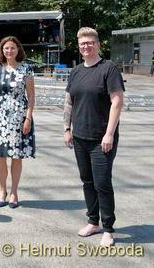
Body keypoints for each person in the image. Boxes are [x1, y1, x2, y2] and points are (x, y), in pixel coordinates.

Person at [64, 27, 124, 247]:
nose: (86, 46)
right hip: (79, 137)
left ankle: (108, 228)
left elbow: (117, 102)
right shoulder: (76, 71)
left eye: (90, 43)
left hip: (102, 139)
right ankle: (93, 221)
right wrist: (66, 129)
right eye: (82, 44)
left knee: (102, 183)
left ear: (98, 44)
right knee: (87, 181)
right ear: (78, 47)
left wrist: (109, 134)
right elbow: (69, 101)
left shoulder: (108, 69)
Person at [0, 36, 35, 209]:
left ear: (18, 49)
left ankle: (14, 192)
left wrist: (28, 118)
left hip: (19, 116)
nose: (9, 51)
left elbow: (31, 96)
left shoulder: (26, 68)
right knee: (0, 155)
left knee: (16, 156)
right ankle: (2, 191)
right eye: (6, 48)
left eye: (13, 48)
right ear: (1, 50)